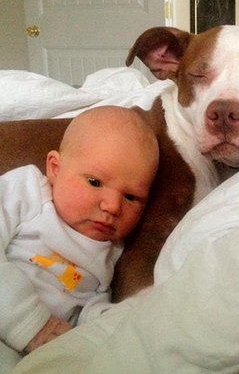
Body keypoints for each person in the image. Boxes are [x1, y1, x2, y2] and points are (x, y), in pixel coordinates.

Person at [0, 106, 159, 357]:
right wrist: (28, 322)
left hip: (36, 354)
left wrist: (123, 317)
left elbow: (88, 309)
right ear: (55, 168)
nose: (113, 206)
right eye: (95, 182)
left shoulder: (112, 251)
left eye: (131, 197)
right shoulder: (28, 190)